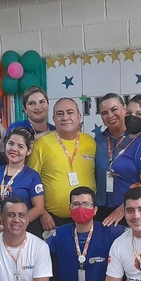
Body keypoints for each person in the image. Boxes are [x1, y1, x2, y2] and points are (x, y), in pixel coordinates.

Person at [30, 97, 97, 232]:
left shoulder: (90, 142)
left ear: (79, 117)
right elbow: (31, 182)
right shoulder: (41, 145)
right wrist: (42, 213)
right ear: (54, 119)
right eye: (60, 114)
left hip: (88, 217)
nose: (65, 117)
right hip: (53, 220)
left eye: (70, 112)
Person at [103, 94, 141, 226]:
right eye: (129, 113)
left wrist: (122, 209)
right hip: (125, 210)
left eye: (139, 114)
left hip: (135, 214)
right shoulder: (132, 139)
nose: (132, 117)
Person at [0, 127, 45, 236]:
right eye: (11, 144)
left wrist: (14, 224)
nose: (14, 149)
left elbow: (39, 208)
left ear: (28, 151)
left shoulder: (32, 176)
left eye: (20, 146)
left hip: (25, 230)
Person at [94, 93, 131, 221]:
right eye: (104, 113)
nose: (110, 116)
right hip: (101, 206)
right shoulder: (97, 140)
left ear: (125, 109)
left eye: (114, 109)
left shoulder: (136, 139)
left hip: (127, 207)